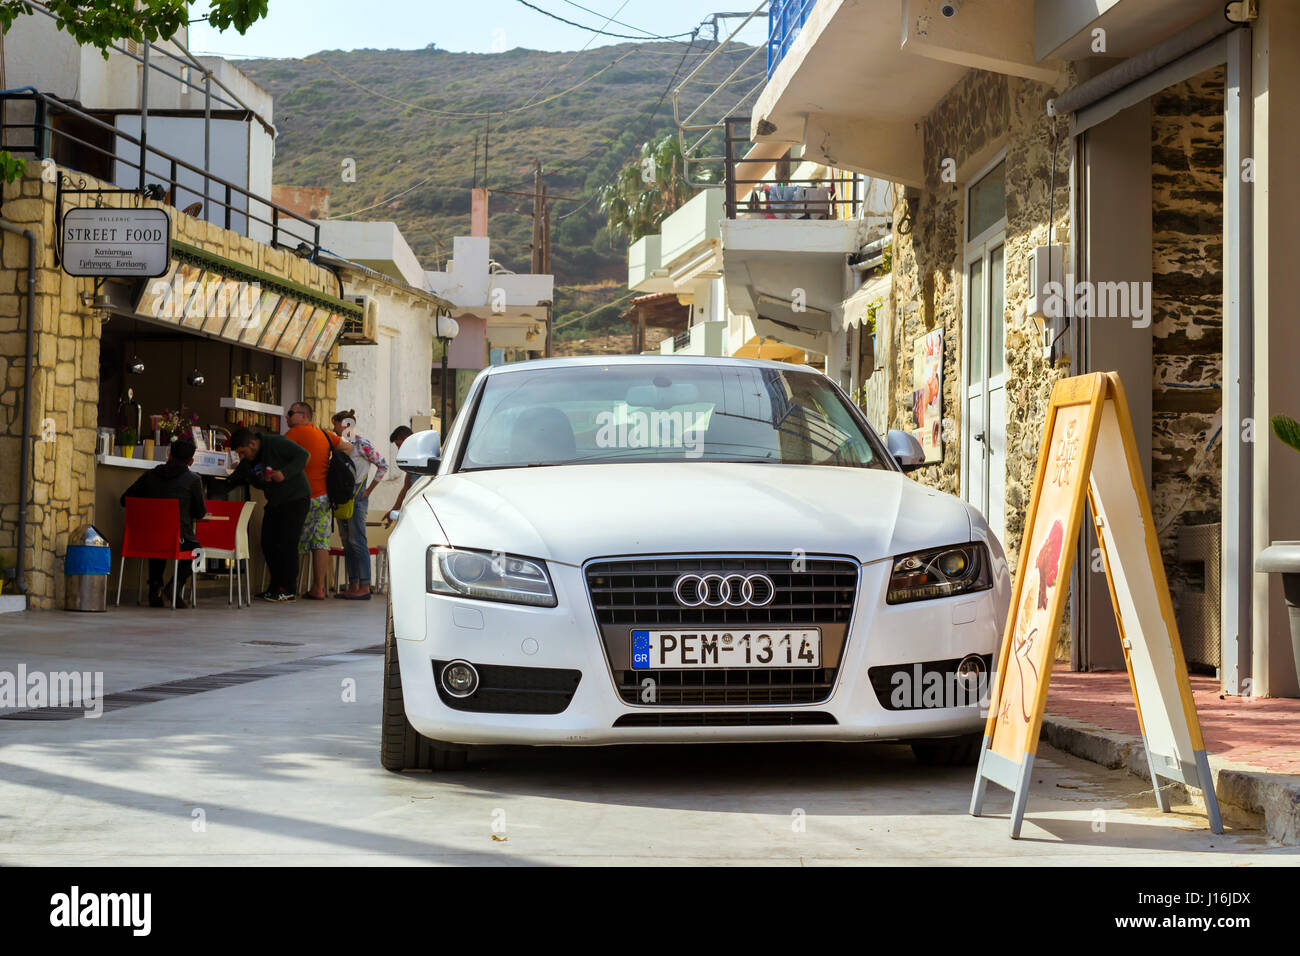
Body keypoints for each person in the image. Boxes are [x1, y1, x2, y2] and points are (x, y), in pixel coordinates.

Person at [227, 426, 310, 602]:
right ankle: (275, 586)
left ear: (252, 443)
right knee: (268, 543)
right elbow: (234, 479)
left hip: (296, 498)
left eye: (243, 452)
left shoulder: (275, 443)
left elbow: (303, 455)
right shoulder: (248, 461)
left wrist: (284, 473)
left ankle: (288, 589)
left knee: (287, 544)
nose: (242, 457)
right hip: (275, 501)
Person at [120, 438, 206, 608]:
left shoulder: (150, 475)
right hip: (178, 539)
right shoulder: (193, 480)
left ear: (169, 455)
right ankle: (174, 587)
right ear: (191, 461)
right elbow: (200, 513)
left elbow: (125, 500)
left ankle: (155, 588)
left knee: (159, 540)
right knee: (198, 553)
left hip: (146, 538)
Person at [285, 400, 352, 600]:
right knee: (320, 542)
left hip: (302, 496)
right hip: (324, 498)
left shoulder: (294, 434)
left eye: (290, 413)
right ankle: (318, 588)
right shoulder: (324, 434)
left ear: (303, 416)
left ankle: (291, 586)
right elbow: (348, 447)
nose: (287, 417)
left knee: (295, 540)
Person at [331, 410, 387, 600]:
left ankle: (364, 585)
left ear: (345, 425)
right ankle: (353, 583)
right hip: (342, 497)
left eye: (336, 425)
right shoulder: (338, 445)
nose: (334, 428)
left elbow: (383, 464)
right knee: (347, 541)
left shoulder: (362, 444)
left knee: (357, 540)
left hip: (357, 497)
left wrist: (369, 490)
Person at [382, 425, 414, 530]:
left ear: (405, 440)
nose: (399, 450)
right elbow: (406, 487)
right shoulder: (411, 462)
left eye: (399, 445)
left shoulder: (424, 457)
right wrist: (393, 511)